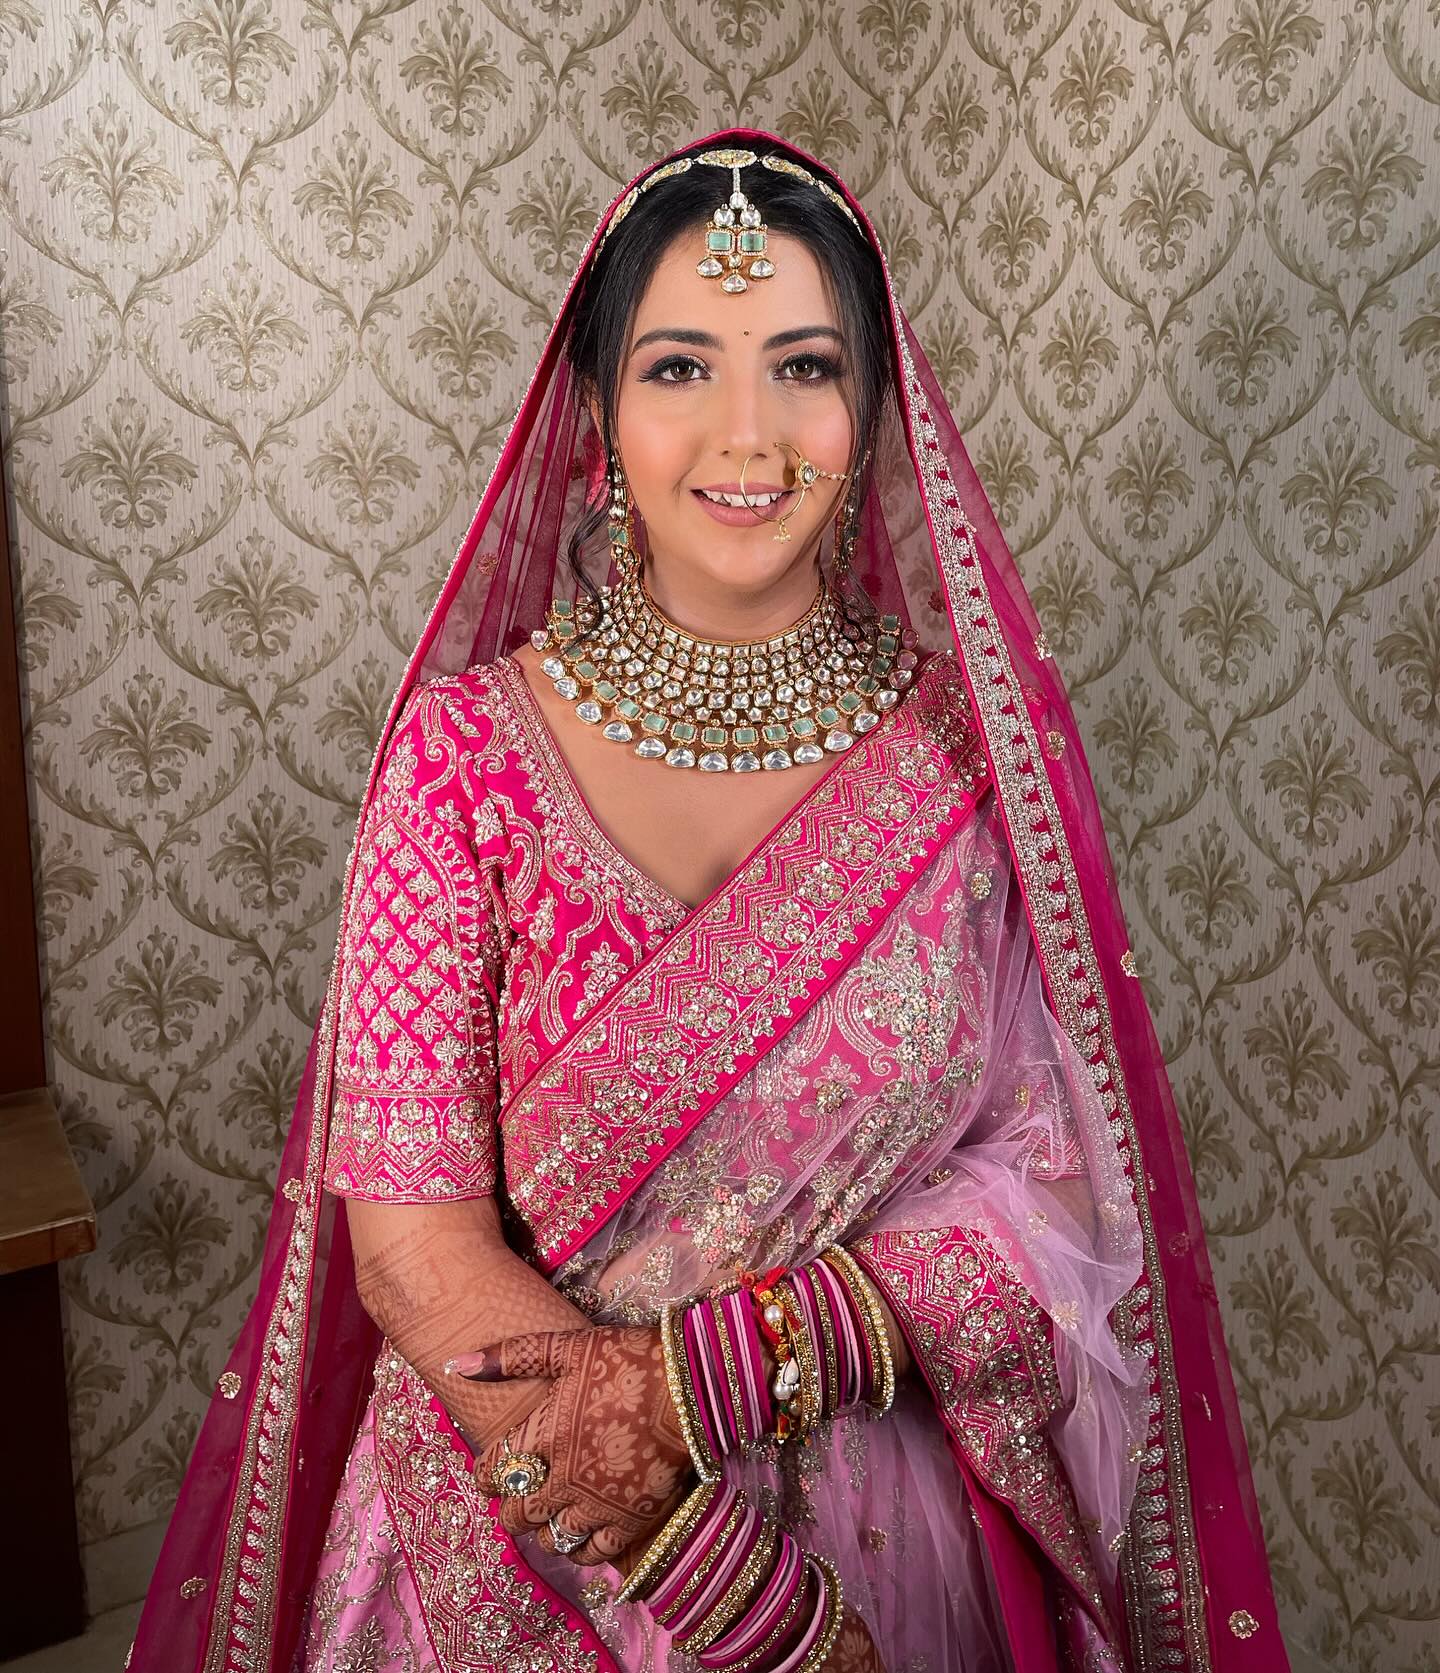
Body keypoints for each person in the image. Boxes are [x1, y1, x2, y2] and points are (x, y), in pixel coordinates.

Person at [128, 129, 1288, 1673]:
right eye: (681, 366)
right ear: (598, 412)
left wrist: (720, 1371)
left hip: (894, 1538)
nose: (750, 432)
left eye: (804, 366)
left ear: (869, 408)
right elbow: (411, 1244)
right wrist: (726, 1583)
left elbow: (1058, 1187)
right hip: (527, 1532)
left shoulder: (972, 759)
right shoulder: (459, 760)